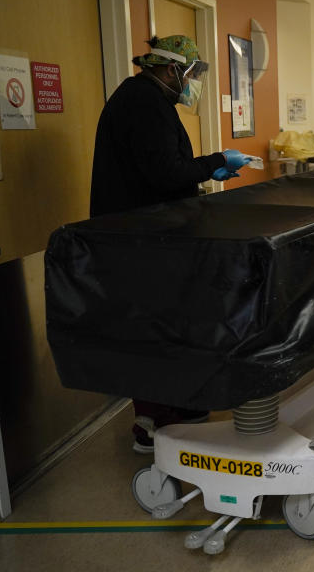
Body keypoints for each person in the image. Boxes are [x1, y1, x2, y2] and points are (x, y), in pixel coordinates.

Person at [90, 35, 254, 453]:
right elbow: (164, 173)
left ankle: (173, 408)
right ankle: (152, 422)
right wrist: (216, 161)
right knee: (152, 326)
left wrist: (201, 174)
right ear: (169, 70)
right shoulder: (144, 103)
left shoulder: (144, 99)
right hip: (139, 241)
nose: (193, 83)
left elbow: (161, 167)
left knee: (165, 323)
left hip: (146, 234)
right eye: (192, 74)